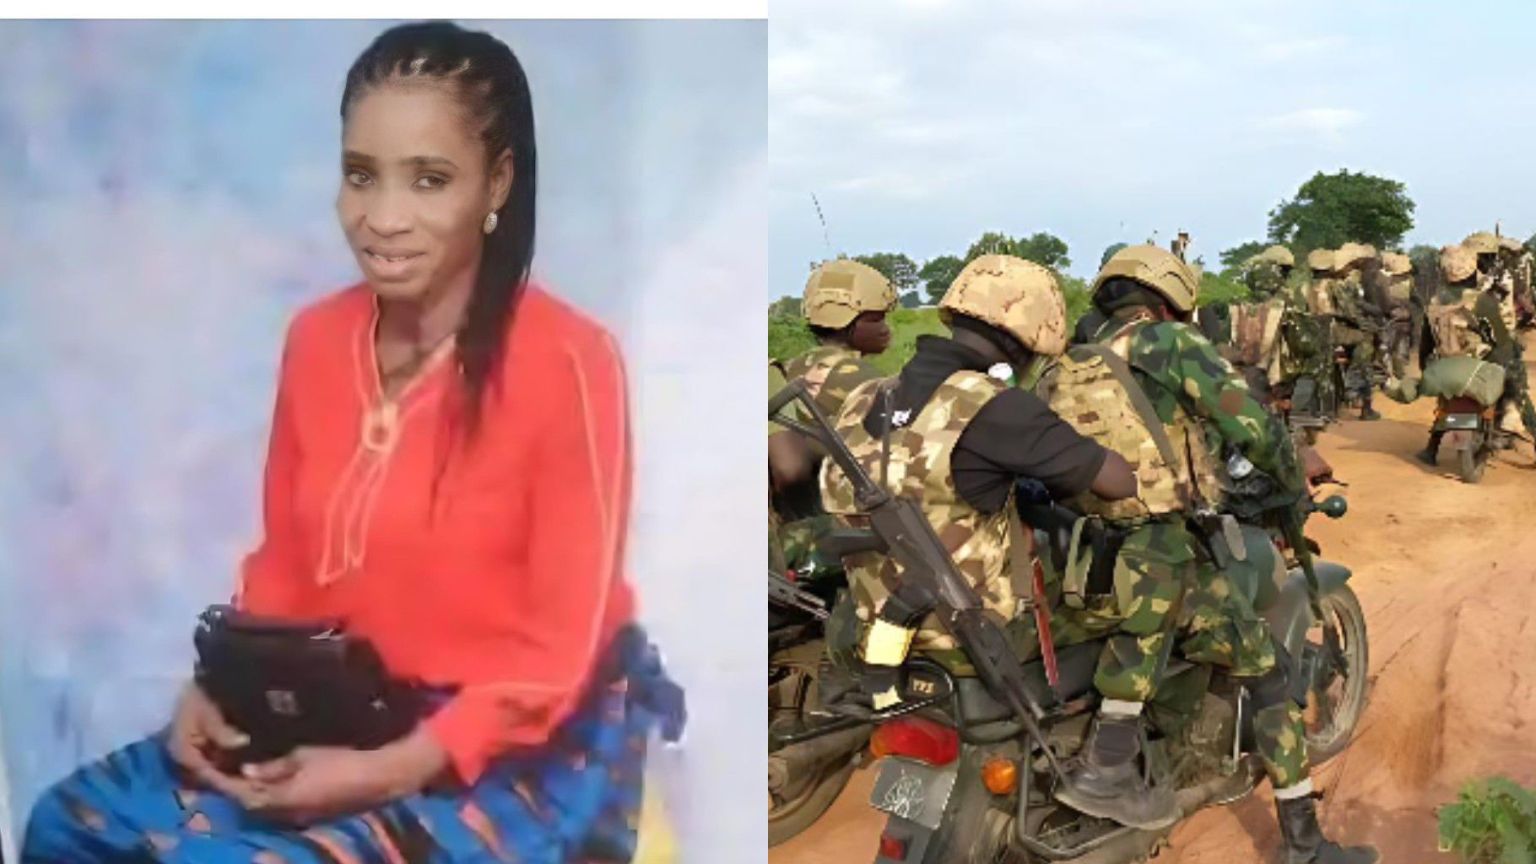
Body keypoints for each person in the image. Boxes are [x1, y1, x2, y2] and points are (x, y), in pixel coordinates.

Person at [23, 22, 685, 864]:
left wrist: (382, 773)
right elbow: (287, 565)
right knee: (67, 824)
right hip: (339, 701)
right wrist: (217, 689)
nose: (383, 219)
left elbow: (557, 652)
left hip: (508, 737)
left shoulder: (570, 361)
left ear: (498, 184)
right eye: (360, 175)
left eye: (430, 180)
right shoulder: (317, 340)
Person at [820, 254, 1190, 829]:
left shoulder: (862, 398)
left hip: (878, 626)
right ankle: (1111, 760)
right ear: (1030, 335)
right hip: (980, 627)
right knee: (1163, 562)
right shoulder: (995, 407)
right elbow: (1115, 481)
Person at [1059, 245, 1377, 863]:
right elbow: (1251, 426)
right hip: (1166, 553)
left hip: (1085, 559)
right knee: (1267, 673)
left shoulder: (1067, 363)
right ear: (1168, 299)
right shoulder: (1170, 344)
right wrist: (1290, 476)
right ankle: (1305, 848)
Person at [1417, 245, 1536, 463]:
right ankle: (1513, 413)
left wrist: (1426, 367)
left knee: (1446, 401)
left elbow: (1426, 344)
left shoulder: (1433, 302)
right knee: (1515, 375)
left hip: (1448, 364)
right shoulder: (1482, 299)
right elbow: (1500, 337)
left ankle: (1431, 449)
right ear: (1472, 269)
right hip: (1480, 363)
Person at [1328, 244, 1383, 420]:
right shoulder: (1343, 284)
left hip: (1328, 331)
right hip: (1342, 330)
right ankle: (1364, 403)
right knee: (1366, 350)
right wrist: (1369, 327)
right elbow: (1350, 313)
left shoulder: (1327, 283)